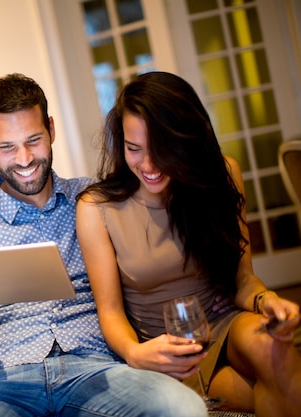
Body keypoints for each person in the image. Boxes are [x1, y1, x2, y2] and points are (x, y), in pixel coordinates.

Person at [0, 73, 207, 417]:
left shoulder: (96, 200)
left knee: (181, 407)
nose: (25, 159)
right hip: (2, 384)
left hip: (98, 371)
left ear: (51, 129)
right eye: (6, 147)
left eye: (34, 140)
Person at [76, 71, 301, 416]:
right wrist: (136, 354)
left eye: (162, 150)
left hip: (223, 323)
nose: (148, 165)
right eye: (134, 149)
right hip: (162, 349)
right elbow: (110, 312)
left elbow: (243, 281)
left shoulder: (221, 175)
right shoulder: (97, 208)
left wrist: (266, 300)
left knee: (274, 347)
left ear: (187, 140)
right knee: (284, 388)